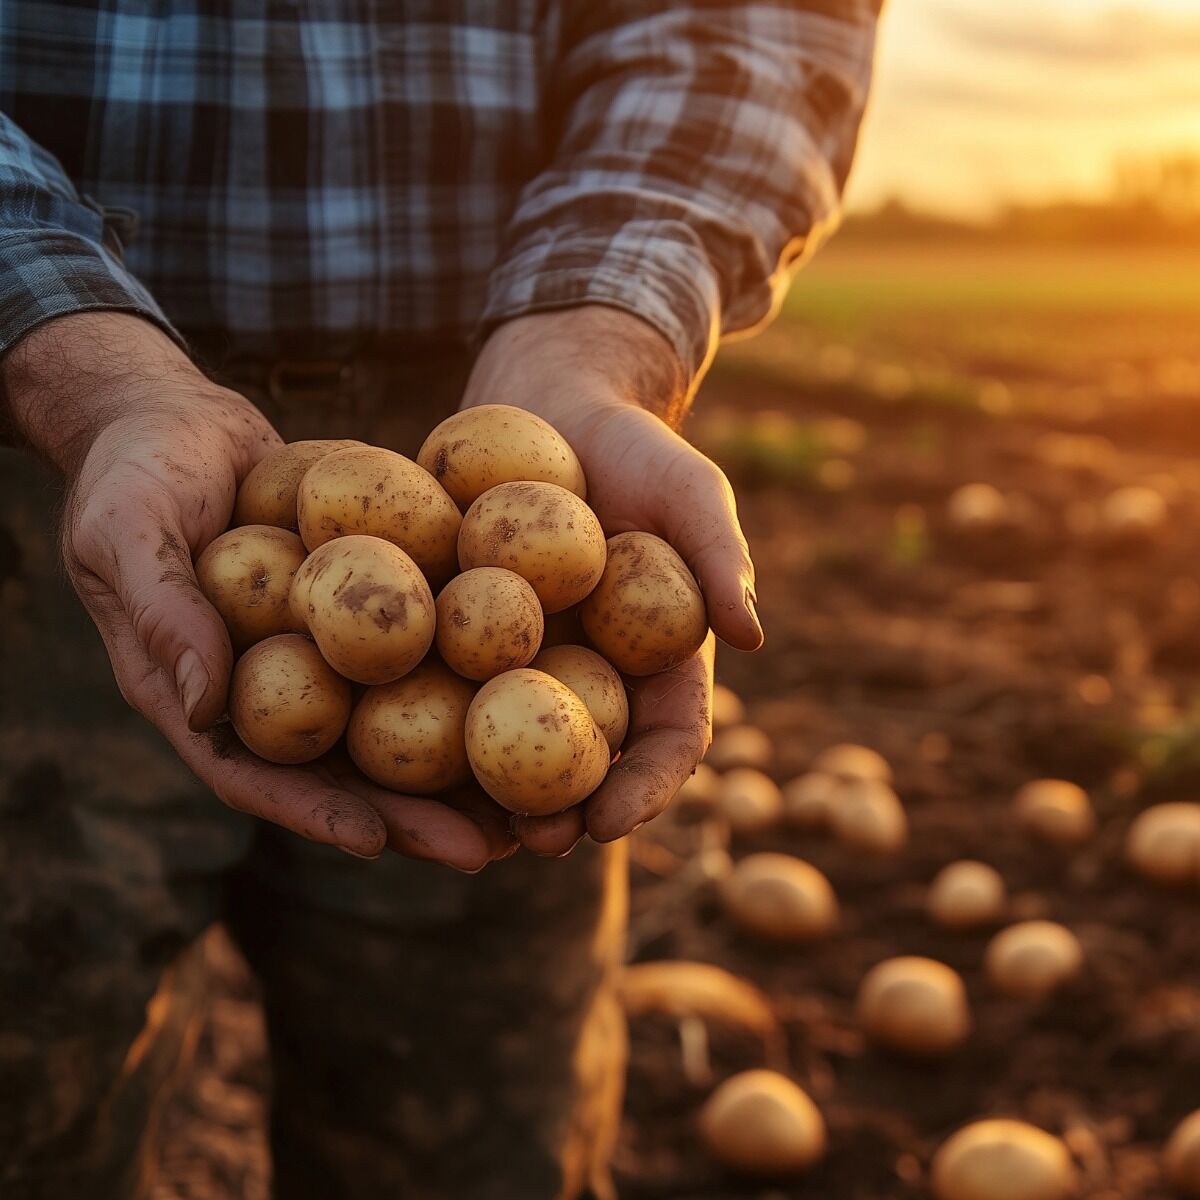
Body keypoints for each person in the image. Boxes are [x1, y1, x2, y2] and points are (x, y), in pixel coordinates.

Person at [0, 3, 879, 1197]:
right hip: (58, 448)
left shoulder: (507, 578)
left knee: (471, 1145)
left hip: (505, 396)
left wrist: (595, 335)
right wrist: (76, 356)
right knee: (27, 1096)